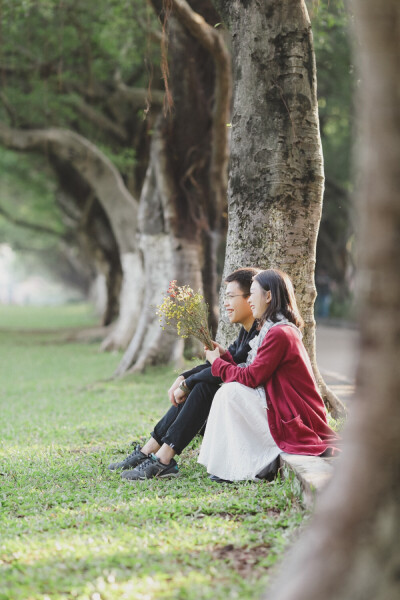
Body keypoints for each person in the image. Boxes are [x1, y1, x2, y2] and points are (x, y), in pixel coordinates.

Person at [108, 267, 261, 480]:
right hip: (244, 402)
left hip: (260, 412)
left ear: (250, 298)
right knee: (201, 384)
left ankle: (162, 459)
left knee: (203, 387)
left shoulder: (261, 333)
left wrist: (188, 382)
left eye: (231, 296)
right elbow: (227, 364)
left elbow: (225, 372)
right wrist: (185, 377)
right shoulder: (247, 332)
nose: (225, 303)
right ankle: (150, 451)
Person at [198, 268, 339, 483]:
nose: (250, 301)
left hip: (291, 411)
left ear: (269, 295)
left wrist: (216, 363)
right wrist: (225, 356)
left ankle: (255, 465)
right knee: (229, 392)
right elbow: (252, 370)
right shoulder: (272, 329)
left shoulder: (280, 333)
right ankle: (230, 467)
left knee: (231, 393)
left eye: (252, 294)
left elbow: (252, 378)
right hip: (279, 402)